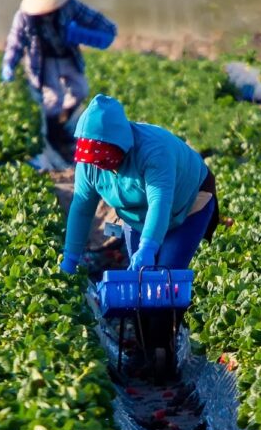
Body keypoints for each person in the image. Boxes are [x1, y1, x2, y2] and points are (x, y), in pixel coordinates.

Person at [61, 94, 219, 376]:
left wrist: (147, 247)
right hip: (136, 216)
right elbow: (82, 208)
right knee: (140, 285)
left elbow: (161, 202)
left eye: (105, 157)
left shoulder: (153, 150)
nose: (101, 164)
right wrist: (70, 257)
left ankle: (164, 350)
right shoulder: (90, 165)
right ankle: (146, 348)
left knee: (163, 275)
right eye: (95, 159)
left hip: (188, 204)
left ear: (119, 145)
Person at [1, 0, 117, 165]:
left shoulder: (68, 5)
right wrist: (9, 65)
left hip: (67, 56)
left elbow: (92, 18)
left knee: (80, 90)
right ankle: (55, 134)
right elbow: (15, 42)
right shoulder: (24, 17)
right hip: (43, 62)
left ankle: (64, 122)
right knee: (53, 99)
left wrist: (106, 30)